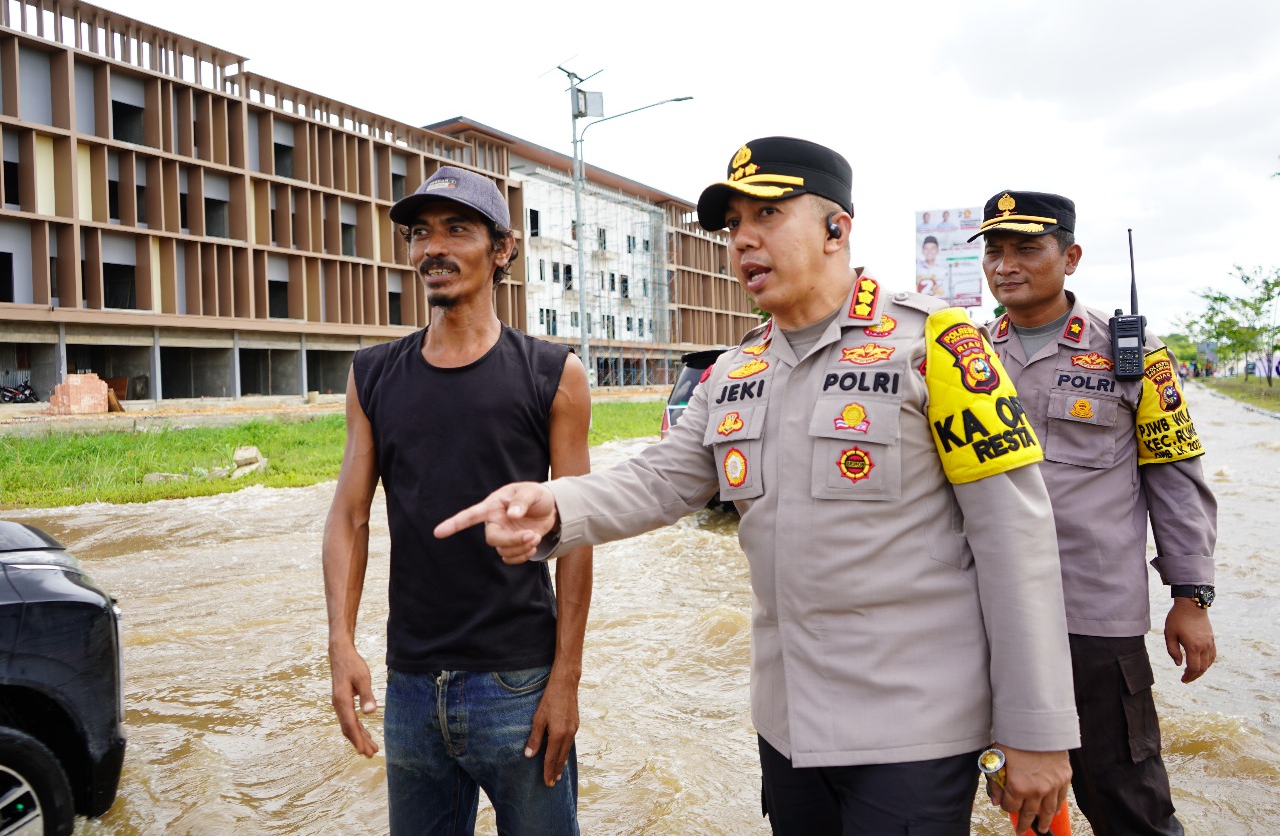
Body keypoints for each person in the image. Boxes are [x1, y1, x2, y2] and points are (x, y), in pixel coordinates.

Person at [438, 137, 1079, 835]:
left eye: (767, 215)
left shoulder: (936, 345)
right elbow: (661, 479)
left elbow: (1016, 540)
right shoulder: (736, 370)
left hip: (914, 731)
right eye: (733, 224)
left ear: (838, 228)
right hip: (788, 729)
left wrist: (1036, 728)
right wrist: (552, 503)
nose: (743, 240)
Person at [323, 166, 593, 835]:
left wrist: (567, 680)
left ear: (502, 248)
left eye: (457, 229)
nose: (432, 248)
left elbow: (579, 533)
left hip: (520, 682)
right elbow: (349, 516)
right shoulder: (372, 374)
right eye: (420, 233)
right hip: (410, 685)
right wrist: (340, 643)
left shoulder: (553, 375)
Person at [973, 190, 1217, 836]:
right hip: (984, 609)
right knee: (1011, 784)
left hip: (1092, 613)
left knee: (1125, 791)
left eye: (1027, 247)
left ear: (1070, 256)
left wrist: (1190, 596)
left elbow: (1175, 477)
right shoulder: (962, 355)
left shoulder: (1131, 353)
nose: (1006, 264)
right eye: (995, 251)